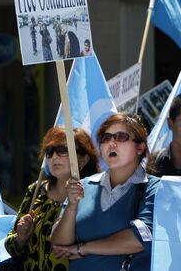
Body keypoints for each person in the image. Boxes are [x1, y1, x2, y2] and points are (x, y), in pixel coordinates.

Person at [51, 113, 160, 271]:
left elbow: (139, 239)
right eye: (106, 138)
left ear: (140, 147)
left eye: (121, 137)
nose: (112, 143)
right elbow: (60, 246)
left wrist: (84, 248)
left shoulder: (154, 188)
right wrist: (72, 206)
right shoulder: (84, 185)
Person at [4, 127, 100, 270]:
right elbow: (12, 248)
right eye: (49, 151)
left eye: (62, 150)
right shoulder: (35, 191)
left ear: (84, 159)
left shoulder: (95, 195)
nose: (54, 156)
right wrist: (20, 238)